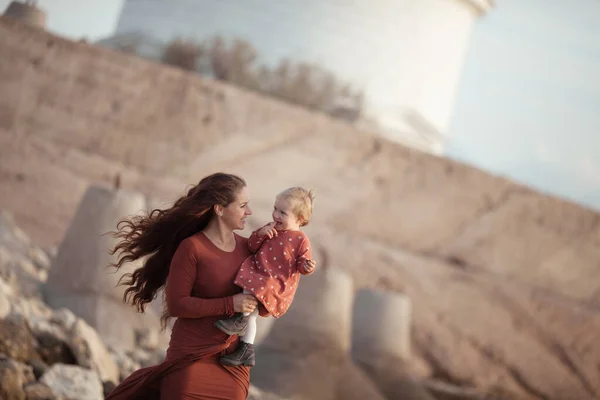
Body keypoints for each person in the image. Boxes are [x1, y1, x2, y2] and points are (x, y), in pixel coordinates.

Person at [105, 172, 264, 400]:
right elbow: (178, 305)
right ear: (219, 209)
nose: (248, 212)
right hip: (191, 361)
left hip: (232, 364)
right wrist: (231, 303)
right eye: (242, 205)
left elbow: (267, 294)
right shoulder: (192, 248)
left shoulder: (247, 249)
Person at [214, 187, 317, 367]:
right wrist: (261, 234)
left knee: (253, 294)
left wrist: (307, 267)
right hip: (259, 272)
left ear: (299, 219)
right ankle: (246, 350)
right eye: (275, 209)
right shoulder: (270, 229)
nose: (276, 215)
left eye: (282, 212)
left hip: (275, 282)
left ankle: (240, 320)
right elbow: (252, 246)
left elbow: (302, 264)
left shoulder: (300, 239)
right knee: (252, 315)